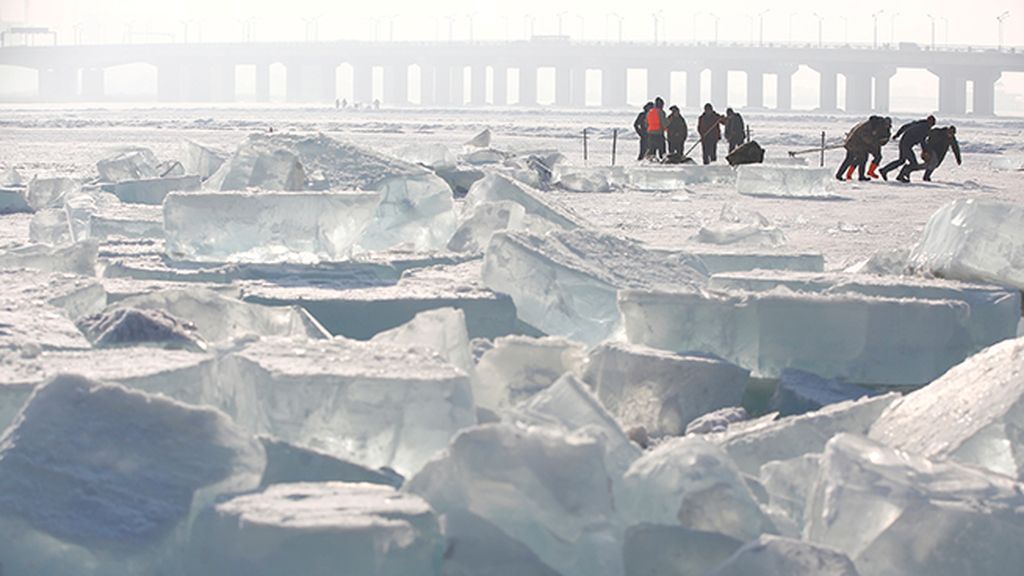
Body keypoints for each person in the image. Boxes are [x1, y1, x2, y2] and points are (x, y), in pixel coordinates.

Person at [879, 115, 936, 181]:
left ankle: (885, 170)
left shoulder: (918, 123)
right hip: (906, 145)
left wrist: (897, 135)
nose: (931, 126)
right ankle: (900, 175)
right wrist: (925, 151)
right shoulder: (925, 128)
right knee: (913, 163)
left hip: (903, 142)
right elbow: (922, 140)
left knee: (901, 160)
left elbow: (904, 127)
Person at [836, 116, 886, 181]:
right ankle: (841, 175)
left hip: (855, 144)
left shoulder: (868, 124)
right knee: (854, 159)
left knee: (860, 159)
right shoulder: (867, 126)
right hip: (854, 145)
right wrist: (874, 141)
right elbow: (865, 137)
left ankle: (859, 176)